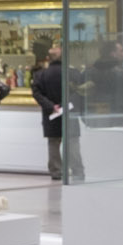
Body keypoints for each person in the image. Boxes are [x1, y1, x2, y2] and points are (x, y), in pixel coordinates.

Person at [32, 44, 80, 179]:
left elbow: (36, 93)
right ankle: (77, 170)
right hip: (70, 113)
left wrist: (52, 107)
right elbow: (79, 92)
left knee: (53, 144)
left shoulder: (41, 74)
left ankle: (56, 171)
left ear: (48, 58)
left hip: (51, 114)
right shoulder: (73, 73)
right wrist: (67, 105)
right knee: (73, 143)